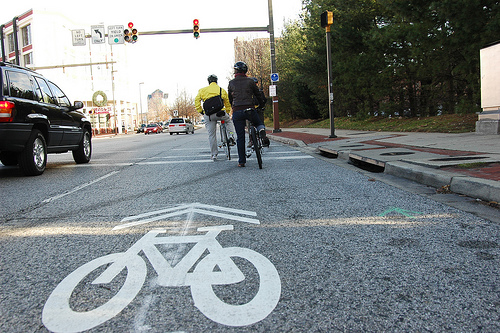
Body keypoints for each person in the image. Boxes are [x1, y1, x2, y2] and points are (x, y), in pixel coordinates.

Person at [228, 61, 270, 167]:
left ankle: (241, 161)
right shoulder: (250, 81)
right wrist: (261, 105)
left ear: (235, 71)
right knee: (258, 122)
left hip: (237, 110)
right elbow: (258, 95)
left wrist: (234, 106)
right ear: (245, 71)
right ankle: (261, 130)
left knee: (240, 137)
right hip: (249, 109)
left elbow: (230, 98)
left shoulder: (231, 83)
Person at [195, 74, 236, 161]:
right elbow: (227, 102)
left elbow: (197, 101)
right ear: (216, 81)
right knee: (228, 121)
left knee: (211, 135)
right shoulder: (221, 90)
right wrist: (227, 111)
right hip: (220, 113)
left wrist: (201, 111)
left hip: (209, 115)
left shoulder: (202, 90)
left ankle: (214, 154)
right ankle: (231, 136)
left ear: (208, 81)